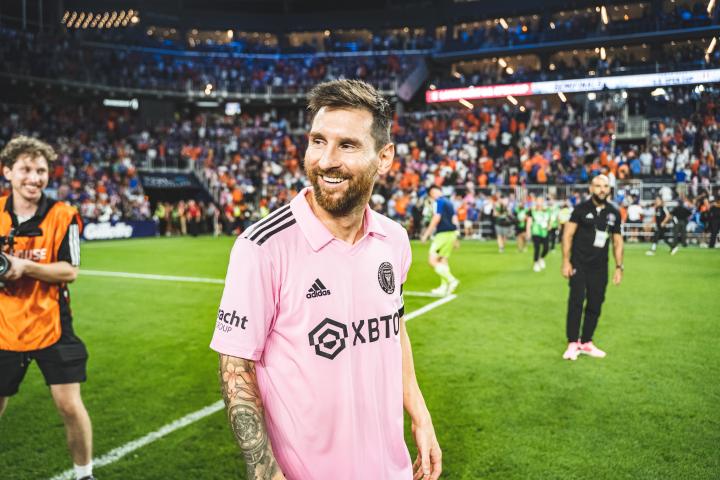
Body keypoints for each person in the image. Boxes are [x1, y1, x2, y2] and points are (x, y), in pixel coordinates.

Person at [210, 80, 441, 480]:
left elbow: (394, 328)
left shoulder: (394, 239)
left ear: (384, 157)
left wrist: (420, 414)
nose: (326, 160)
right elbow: (236, 366)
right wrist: (264, 471)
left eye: (347, 145)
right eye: (318, 141)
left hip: (393, 470)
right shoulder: (261, 247)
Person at [0, 136, 95, 480]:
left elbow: (70, 271)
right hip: (4, 326)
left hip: (52, 322)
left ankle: (84, 475)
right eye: (26, 169)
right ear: (8, 171)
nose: (34, 178)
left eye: (41, 171)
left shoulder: (64, 215)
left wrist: (24, 266)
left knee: (69, 405)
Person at [561, 175, 623, 361]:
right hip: (579, 264)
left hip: (600, 267)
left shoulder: (614, 213)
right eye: (598, 186)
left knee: (596, 303)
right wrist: (566, 261)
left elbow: (617, 241)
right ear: (591, 188)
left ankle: (586, 342)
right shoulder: (580, 209)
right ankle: (573, 343)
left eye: (605, 186)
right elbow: (567, 235)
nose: (602, 189)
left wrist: (619, 267)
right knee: (576, 302)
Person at [420, 185, 460, 296]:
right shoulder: (449, 202)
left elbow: (436, 218)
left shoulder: (439, 202)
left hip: (442, 234)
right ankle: (444, 287)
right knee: (443, 260)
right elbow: (455, 219)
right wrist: (456, 236)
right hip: (451, 234)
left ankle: (452, 280)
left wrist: (426, 235)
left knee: (432, 260)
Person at [526, 196, 550, 272]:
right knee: (537, 248)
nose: (539, 203)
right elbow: (529, 222)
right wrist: (528, 231)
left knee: (546, 248)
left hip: (544, 232)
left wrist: (549, 226)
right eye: (538, 201)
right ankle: (536, 263)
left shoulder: (547, 211)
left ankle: (541, 258)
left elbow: (549, 220)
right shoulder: (532, 211)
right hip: (536, 231)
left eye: (541, 201)